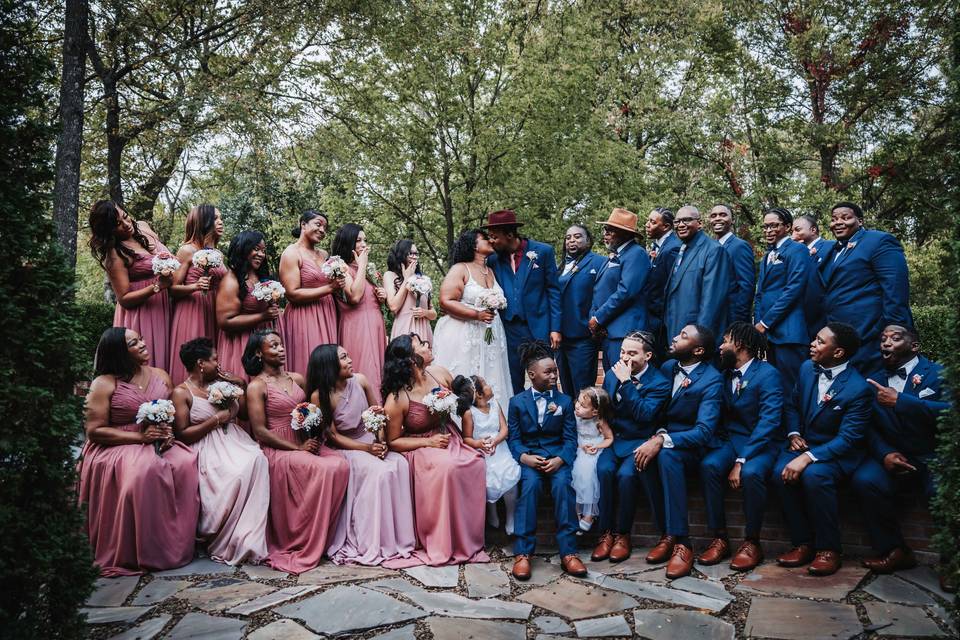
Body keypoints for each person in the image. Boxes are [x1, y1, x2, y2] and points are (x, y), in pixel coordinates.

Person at [78, 328, 200, 576]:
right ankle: (137, 550)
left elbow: (171, 415)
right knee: (146, 471)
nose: (143, 344)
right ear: (120, 352)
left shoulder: (160, 375)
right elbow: (95, 430)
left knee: (187, 462)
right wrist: (139, 437)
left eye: (141, 339)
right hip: (116, 444)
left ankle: (175, 545)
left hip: (157, 440)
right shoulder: (104, 383)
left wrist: (167, 434)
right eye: (134, 343)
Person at [244, 330, 350, 574]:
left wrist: (314, 436)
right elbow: (260, 431)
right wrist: (297, 448)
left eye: (281, 344)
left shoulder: (298, 379)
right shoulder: (257, 386)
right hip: (278, 448)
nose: (281, 349)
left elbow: (312, 408)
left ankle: (326, 535)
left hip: (305, 441)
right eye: (273, 346)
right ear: (259, 353)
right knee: (324, 468)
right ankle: (303, 537)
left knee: (341, 463)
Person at [772, 322, 871, 577]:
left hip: (837, 452)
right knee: (779, 473)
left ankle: (829, 549)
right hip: (805, 443)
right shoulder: (807, 369)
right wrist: (793, 433)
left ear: (838, 352)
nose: (812, 344)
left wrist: (808, 457)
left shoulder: (858, 388)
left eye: (819, 341)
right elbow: (792, 405)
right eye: (814, 339)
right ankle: (802, 542)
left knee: (815, 477)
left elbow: (849, 439)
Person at [381, 334, 489, 566]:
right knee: (447, 467)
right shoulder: (398, 397)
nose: (427, 345)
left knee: (475, 461)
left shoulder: (439, 374)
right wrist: (428, 443)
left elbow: (463, 405)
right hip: (420, 444)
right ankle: (441, 539)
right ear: (411, 360)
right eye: (419, 345)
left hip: (448, 436)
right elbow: (393, 441)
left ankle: (466, 537)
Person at [306, 344, 417, 566]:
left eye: (348, 355)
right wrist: (367, 449)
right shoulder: (320, 396)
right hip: (347, 447)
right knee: (380, 472)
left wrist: (381, 441)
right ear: (329, 365)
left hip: (370, 439)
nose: (350, 360)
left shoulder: (361, 380)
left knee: (400, 465)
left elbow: (378, 414)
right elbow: (334, 436)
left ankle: (398, 538)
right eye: (343, 357)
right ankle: (373, 540)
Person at [851, 325, 949, 574]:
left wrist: (901, 402)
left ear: (914, 346)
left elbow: (950, 412)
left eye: (895, 338)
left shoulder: (939, 373)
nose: (886, 343)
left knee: (941, 491)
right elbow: (868, 427)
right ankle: (895, 550)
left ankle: (952, 563)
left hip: (933, 455)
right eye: (882, 339)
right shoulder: (874, 381)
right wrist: (885, 454)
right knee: (865, 480)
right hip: (895, 455)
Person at [632, 324, 723, 579]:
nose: (674, 337)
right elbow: (660, 411)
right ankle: (667, 534)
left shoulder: (712, 380)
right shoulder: (668, 368)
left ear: (698, 350)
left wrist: (663, 440)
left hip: (696, 446)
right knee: (642, 457)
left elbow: (704, 431)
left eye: (683, 336)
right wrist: (658, 434)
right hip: (667, 437)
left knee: (666, 455)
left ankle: (683, 543)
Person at [171, 338, 269, 566]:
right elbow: (183, 433)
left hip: (235, 440)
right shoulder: (181, 393)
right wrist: (216, 419)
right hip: (205, 445)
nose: (219, 363)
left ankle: (248, 536)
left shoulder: (221, 386)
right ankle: (223, 536)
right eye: (215, 359)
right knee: (236, 474)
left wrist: (239, 385)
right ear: (200, 363)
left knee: (257, 459)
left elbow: (243, 415)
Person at [698, 323, 783, 571]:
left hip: (761, 444)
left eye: (725, 341)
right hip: (731, 441)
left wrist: (742, 459)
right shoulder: (724, 374)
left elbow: (769, 421)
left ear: (741, 346)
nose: (720, 346)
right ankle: (719, 537)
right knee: (709, 466)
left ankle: (752, 541)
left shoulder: (768, 374)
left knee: (752, 473)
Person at [506, 342, 586, 580]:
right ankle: (523, 553)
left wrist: (561, 459)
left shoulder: (564, 401)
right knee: (529, 488)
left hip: (557, 458)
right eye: (548, 372)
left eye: (555, 371)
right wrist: (524, 457)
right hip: (530, 458)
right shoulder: (517, 402)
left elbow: (571, 439)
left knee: (563, 487)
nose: (554, 375)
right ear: (532, 375)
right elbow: (514, 438)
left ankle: (569, 552)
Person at [591, 331, 670, 564]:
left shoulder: (659, 383)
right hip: (614, 440)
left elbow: (644, 415)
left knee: (626, 476)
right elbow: (605, 407)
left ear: (648, 355)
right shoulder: (613, 374)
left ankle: (623, 535)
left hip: (639, 441)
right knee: (604, 471)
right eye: (623, 351)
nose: (625, 357)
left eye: (632, 353)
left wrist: (626, 382)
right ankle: (605, 533)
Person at [818, 202, 913, 372]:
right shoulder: (830, 251)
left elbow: (896, 290)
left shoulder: (879, 241)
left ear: (860, 221)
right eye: (834, 219)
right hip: (839, 338)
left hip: (870, 335)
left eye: (845, 217)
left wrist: (892, 335)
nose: (838, 222)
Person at [88, 200, 174, 370]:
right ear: (108, 230)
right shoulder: (114, 255)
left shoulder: (143, 227)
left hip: (163, 306)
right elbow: (124, 298)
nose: (126, 225)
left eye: (126, 217)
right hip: (142, 314)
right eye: (117, 224)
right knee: (150, 363)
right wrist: (157, 286)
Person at [484, 210, 562, 393]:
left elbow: (553, 291)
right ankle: (519, 418)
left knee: (547, 376)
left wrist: (555, 328)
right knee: (512, 379)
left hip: (540, 325)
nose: (491, 241)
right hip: (509, 329)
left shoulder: (543, 252)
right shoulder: (493, 260)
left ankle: (552, 416)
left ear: (510, 234)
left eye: (495, 237)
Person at [432, 229, 513, 404]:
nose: (491, 240)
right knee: (468, 376)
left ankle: (493, 421)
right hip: (466, 334)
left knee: (492, 375)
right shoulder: (460, 269)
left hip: (491, 337)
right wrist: (476, 314)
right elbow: (446, 301)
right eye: (485, 238)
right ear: (474, 246)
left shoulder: (490, 271)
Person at [168, 204, 228, 385]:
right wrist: (195, 286)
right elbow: (172, 289)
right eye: (216, 218)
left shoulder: (218, 253)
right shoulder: (187, 250)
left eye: (221, 218)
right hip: (192, 310)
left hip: (214, 309)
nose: (221, 222)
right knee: (196, 359)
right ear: (204, 221)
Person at [754, 207, 811, 393]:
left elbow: (793, 290)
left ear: (787, 226)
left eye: (773, 226)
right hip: (769, 335)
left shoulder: (798, 250)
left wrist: (765, 322)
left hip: (789, 332)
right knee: (774, 387)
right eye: (765, 227)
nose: (768, 231)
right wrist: (757, 325)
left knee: (791, 388)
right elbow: (760, 293)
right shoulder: (767, 256)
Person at [280, 210, 342, 377]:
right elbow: (292, 294)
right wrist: (330, 288)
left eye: (325, 227)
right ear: (303, 225)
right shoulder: (291, 253)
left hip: (327, 314)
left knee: (329, 365)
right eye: (318, 224)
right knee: (310, 362)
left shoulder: (325, 255)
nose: (322, 230)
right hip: (304, 316)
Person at [216, 230, 284, 382]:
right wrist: (263, 316)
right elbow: (225, 321)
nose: (261, 254)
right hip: (244, 342)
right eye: (256, 249)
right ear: (243, 249)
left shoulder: (260, 276)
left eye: (263, 250)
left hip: (267, 339)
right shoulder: (231, 281)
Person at [589, 208, 652, 369]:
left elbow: (626, 292)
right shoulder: (615, 255)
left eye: (610, 230)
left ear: (624, 233)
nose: (605, 234)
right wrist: (597, 321)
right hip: (609, 332)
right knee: (611, 383)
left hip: (625, 333)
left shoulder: (636, 254)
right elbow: (599, 290)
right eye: (605, 229)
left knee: (623, 381)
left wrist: (599, 318)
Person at [332, 223, 388, 400]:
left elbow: (369, 297)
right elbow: (354, 297)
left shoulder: (365, 270)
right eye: (358, 240)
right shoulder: (342, 268)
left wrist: (382, 296)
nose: (364, 244)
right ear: (348, 242)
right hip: (358, 327)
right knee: (365, 369)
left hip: (375, 325)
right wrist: (362, 265)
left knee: (379, 369)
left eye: (365, 240)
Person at [460, 375, 520, 535]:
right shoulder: (469, 414)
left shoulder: (495, 404)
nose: (489, 385)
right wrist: (479, 444)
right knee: (488, 478)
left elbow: (504, 429)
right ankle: (492, 511)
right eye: (485, 384)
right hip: (481, 450)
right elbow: (466, 438)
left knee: (509, 475)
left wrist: (495, 441)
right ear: (479, 394)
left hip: (500, 447)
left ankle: (510, 516)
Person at [663, 206, 731, 344]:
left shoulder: (714, 250)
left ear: (699, 224)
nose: (681, 225)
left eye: (687, 220)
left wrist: (698, 339)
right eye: (677, 222)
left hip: (694, 336)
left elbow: (711, 302)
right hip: (675, 331)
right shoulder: (683, 249)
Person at [557, 224, 605, 397]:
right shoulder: (560, 266)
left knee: (583, 390)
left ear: (588, 240)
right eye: (568, 237)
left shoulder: (600, 262)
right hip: (561, 337)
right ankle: (570, 423)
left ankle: (587, 424)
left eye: (577, 237)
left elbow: (601, 296)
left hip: (583, 336)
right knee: (566, 387)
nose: (572, 241)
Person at [571, 387, 614, 532]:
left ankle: (589, 514)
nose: (577, 405)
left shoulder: (599, 421)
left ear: (595, 412)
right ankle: (576, 514)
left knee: (588, 475)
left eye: (583, 406)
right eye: (578, 401)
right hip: (579, 448)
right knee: (573, 475)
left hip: (593, 451)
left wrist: (597, 446)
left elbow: (609, 438)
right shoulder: (575, 416)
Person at [643, 207, 681, 356]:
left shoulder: (673, 248)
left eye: (652, 222)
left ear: (666, 226)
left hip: (661, 322)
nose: (647, 224)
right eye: (648, 220)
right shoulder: (657, 245)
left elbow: (671, 286)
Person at [708, 205, 756, 324]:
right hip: (713, 317)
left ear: (732, 220)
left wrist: (738, 320)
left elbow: (746, 285)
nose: (717, 218)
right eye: (713, 216)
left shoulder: (739, 246)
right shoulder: (710, 247)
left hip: (732, 318)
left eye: (723, 215)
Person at [791, 214, 835, 339]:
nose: (793, 234)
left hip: (822, 316)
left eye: (797, 230)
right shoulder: (797, 251)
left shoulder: (830, 247)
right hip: (803, 318)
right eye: (792, 231)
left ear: (813, 230)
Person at [384, 239, 436, 342]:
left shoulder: (423, 280)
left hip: (424, 330)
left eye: (416, 253)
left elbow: (433, 313)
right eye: (410, 253)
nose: (414, 256)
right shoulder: (390, 275)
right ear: (401, 254)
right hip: (404, 330)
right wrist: (407, 278)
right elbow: (394, 306)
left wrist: (424, 312)